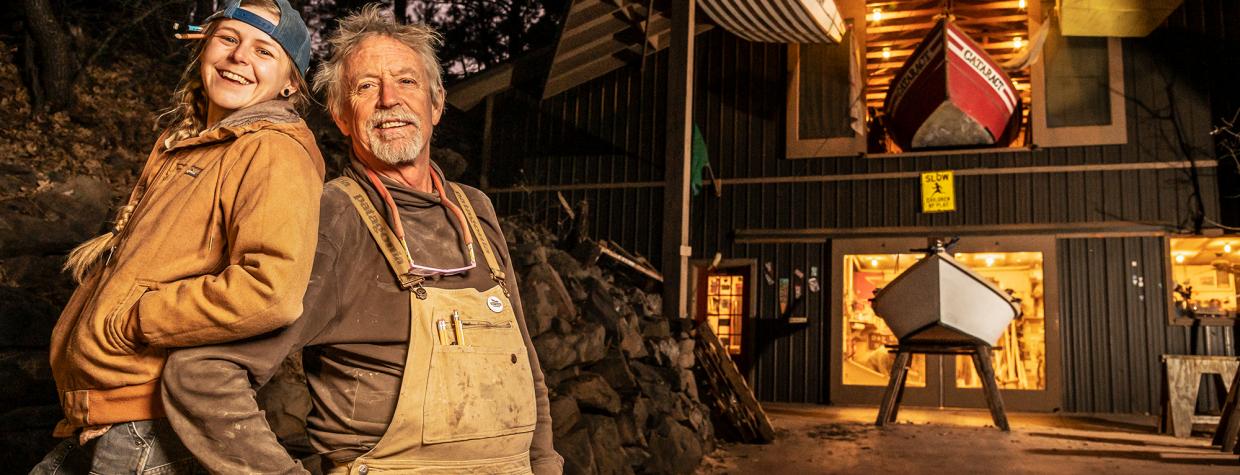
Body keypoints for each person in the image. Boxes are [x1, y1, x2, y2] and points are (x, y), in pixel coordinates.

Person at [161, 5, 563, 475]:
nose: (389, 99)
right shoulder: (335, 220)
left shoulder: (475, 210)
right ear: (341, 116)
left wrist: (545, 464)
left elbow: (525, 368)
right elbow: (202, 371)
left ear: (436, 104)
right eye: (366, 86)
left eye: (406, 82)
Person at [32, 0, 324, 473]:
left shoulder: (272, 150)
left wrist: (134, 321)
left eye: (264, 51)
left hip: (149, 420)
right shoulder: (192, 145)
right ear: (205, 46)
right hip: (114, 412)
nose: (238, 57)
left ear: (291, 82)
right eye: (228, 39)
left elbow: (271, 290)